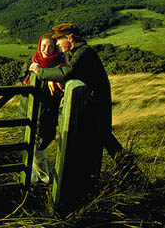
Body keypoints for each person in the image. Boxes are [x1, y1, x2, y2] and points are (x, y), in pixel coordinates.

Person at [29, 23, 113, 179]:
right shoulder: (75, 53)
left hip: (96, 110)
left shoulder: (84, 53)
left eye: (59, 40)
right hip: (88, 108)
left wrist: (41, 72)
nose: (58, 45)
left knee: (103, 145)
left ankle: (131, 176)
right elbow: (65, 71)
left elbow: (67, 72)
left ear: (70, 38)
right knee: (97, 145)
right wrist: (52, 78)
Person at [20, 33, 65, 183]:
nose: (46, 49)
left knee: (39, 148)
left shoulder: (60, 67)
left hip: (47, 115)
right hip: (27, 112)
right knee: (30, 146)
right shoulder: (32, 62)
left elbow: (64, 83)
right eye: (43, 46)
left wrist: (51, 77)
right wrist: (30, 71)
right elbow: (21, 83)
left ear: (55, 48)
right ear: (39, 46)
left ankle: (44, 179)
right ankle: (35, 178)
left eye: (50, 46)